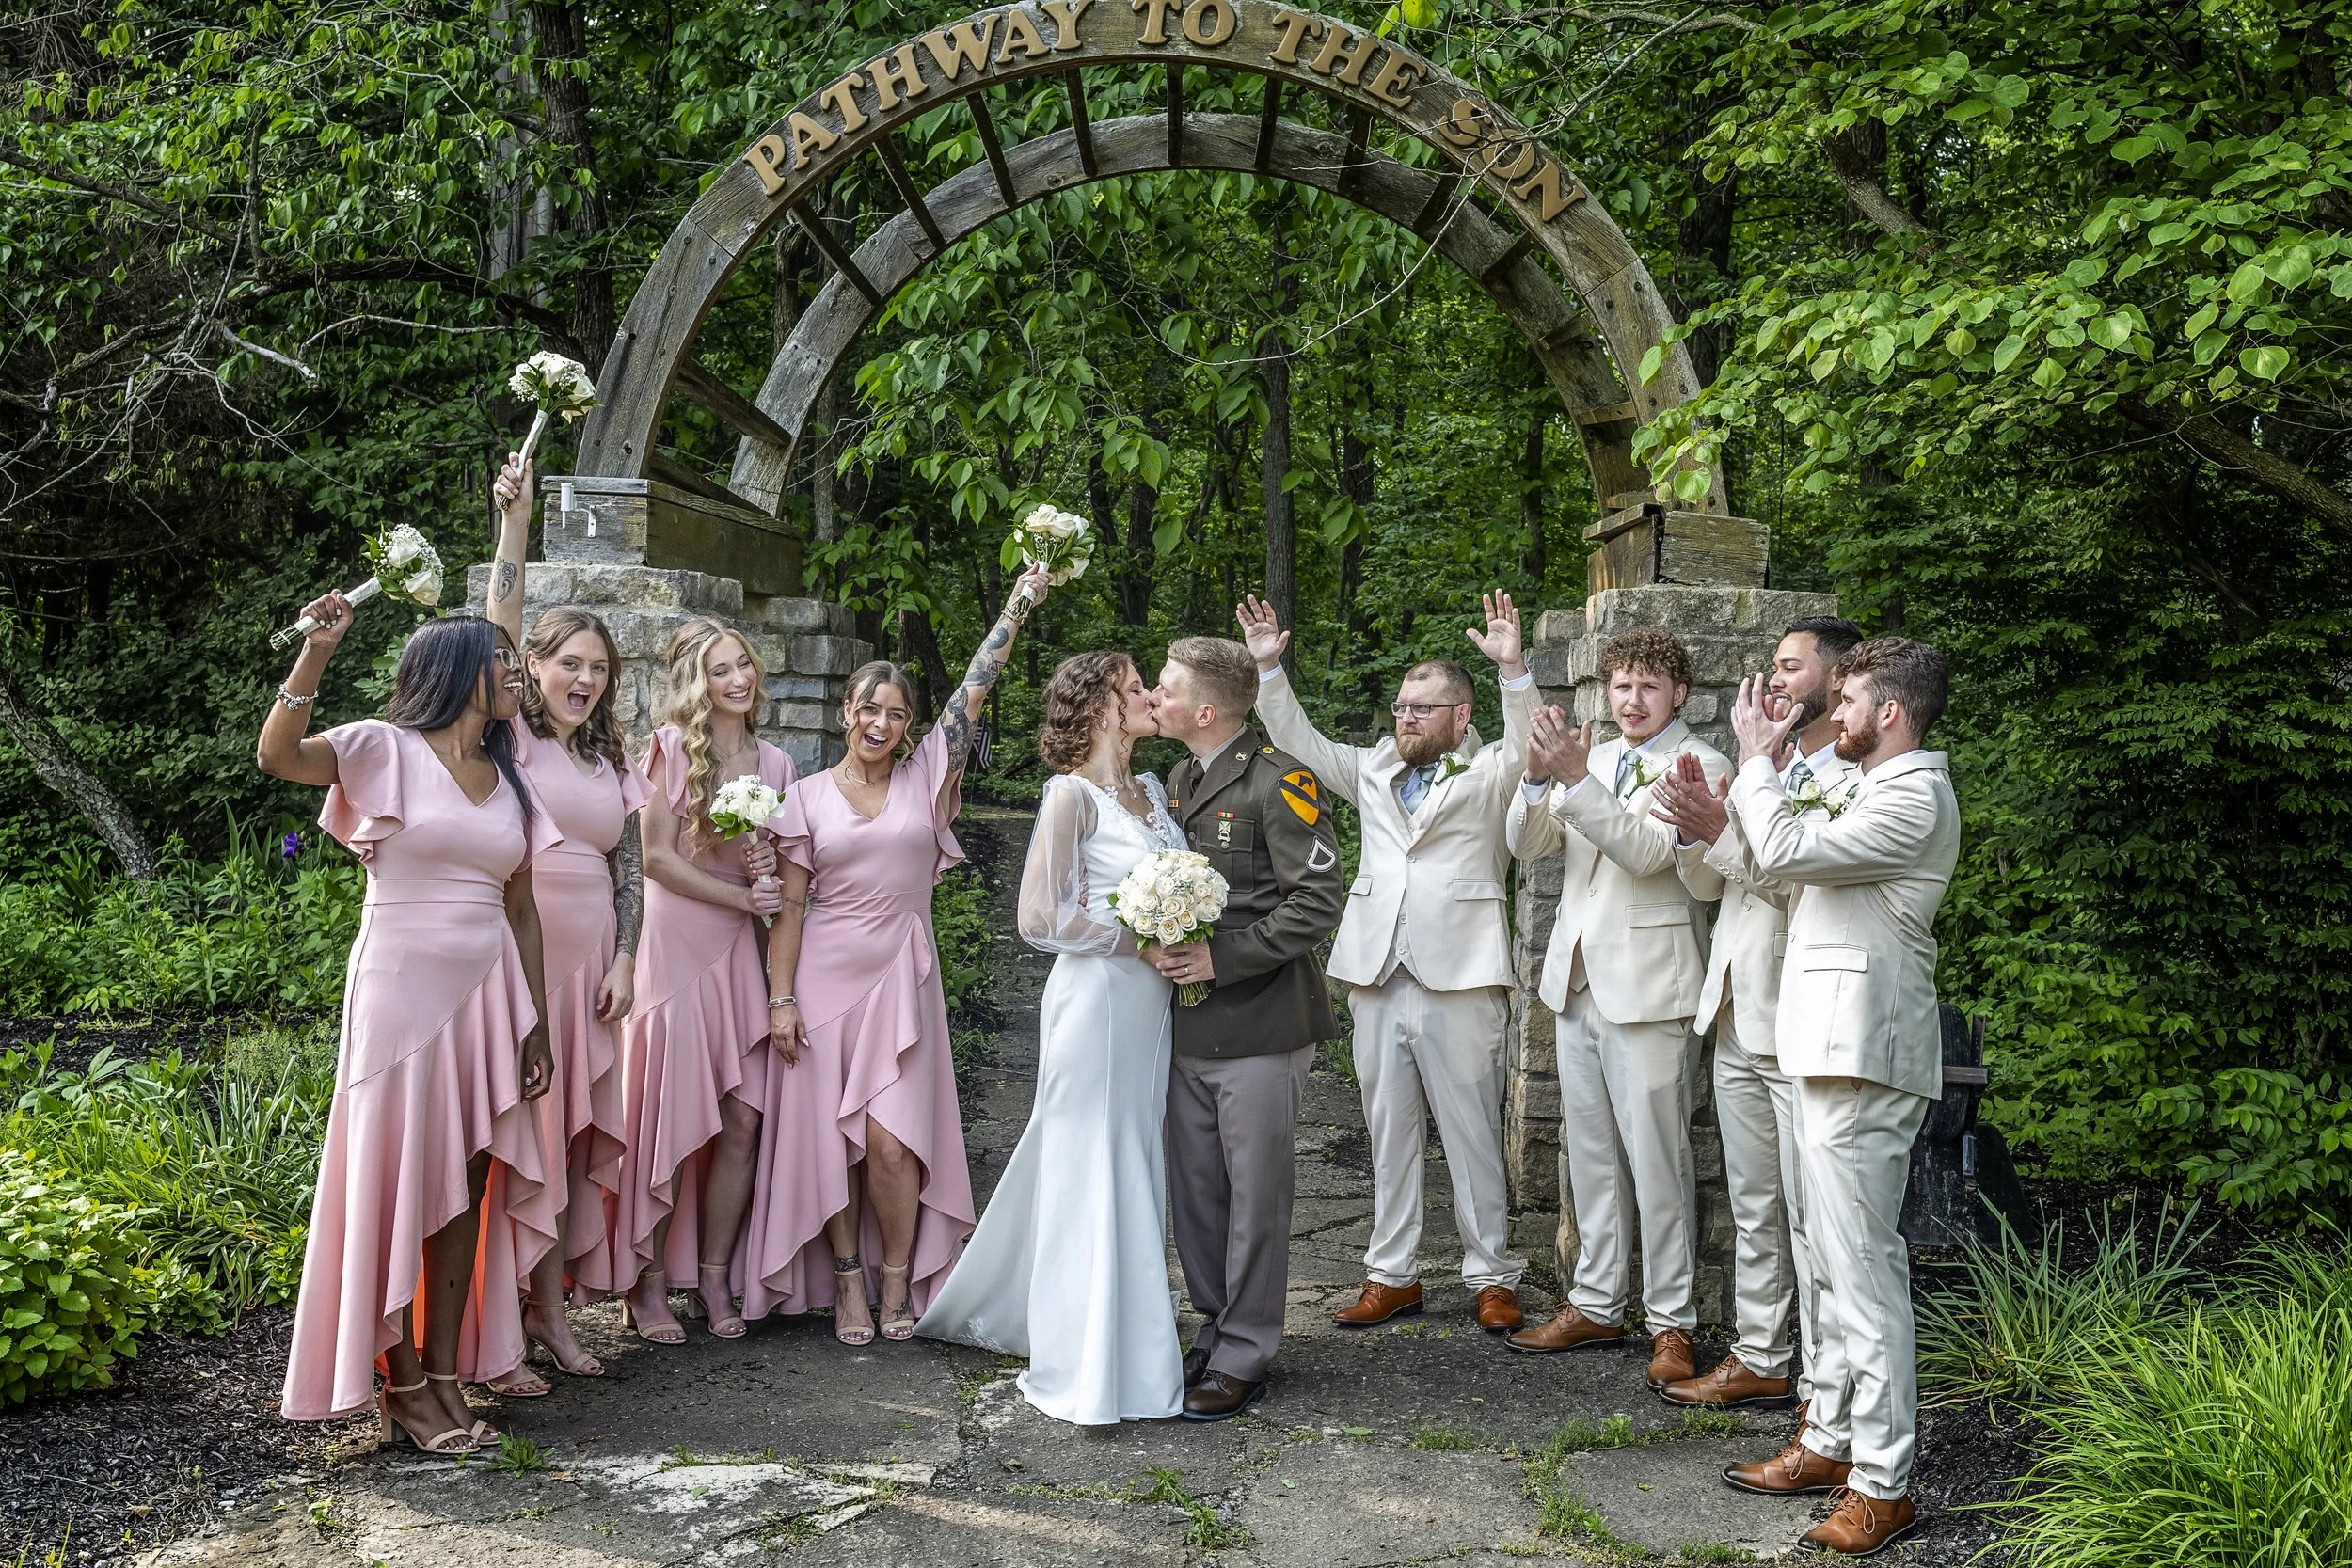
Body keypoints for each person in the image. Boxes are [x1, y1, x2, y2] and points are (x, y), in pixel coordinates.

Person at [262, 604, 557, 1455]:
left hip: (488, 995)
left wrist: (534, 1023)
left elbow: (523, 908)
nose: (517, 671)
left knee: (466, 1178)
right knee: (395, 1173)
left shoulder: (511, 778)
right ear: (455, 667)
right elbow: (277, 755)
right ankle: (404, 1385)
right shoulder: (381, 748)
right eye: (502, 657)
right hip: (401, 994)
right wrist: (316, 653)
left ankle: (446, 1371)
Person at [749, 564, 1051, 1342]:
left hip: (902, 976)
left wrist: (1016, 605)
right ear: (845, 713)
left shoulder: (926, 780)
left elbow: (974, 692)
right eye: (868, 709)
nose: (879, 723)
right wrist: (780, 999)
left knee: (890, 1143)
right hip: (822, 979)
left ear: (910, 724)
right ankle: (847, 1280)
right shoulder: (804, 796)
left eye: (895, 713)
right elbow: (789, 908)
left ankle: (897, 1277)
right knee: (832, 1141)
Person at [1715, 637, 1960, 1558]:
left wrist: (1755, 760)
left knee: (1862, 1275)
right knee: (1827, 1260)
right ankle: (1828, 1438)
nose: (1837, 712)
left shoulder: (1914, 796)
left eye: (1849, 699)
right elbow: (1781, 869)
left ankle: (1884, 1484)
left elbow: (1785, 844)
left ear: (1889, 711)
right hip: (1823, 1046)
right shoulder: (1866, 784)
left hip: (1864, 1056)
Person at [1237, 592, 1534, 1335]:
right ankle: (1391, 1274)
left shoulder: (1491, 768)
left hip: (1462, 974)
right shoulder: (1371, 766)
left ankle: (1492, 1275)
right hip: (1376, 971)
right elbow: (1299, 742)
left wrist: (1513, 670)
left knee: (1471, 1132)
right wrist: (1269, 670)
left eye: (1422, 708)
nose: (1406, 717)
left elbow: (1531, 750)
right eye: (1402, 705)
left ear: (1461, 715)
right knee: (1386, 1130)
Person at [916, 650, 1185, 1423]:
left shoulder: (1153, 790)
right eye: (1135, 687)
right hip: (1097, 998)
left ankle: (1129, 1340)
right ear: (1102, 707)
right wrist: (1139, 941)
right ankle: (1083, 1357)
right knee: (1089, 1157)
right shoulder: (1071, 795)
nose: (1149, 696)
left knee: (1132, 1151)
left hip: (1149, 1005)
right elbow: (1038, 916)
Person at [1502, 628, 1728, 1392]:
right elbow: (1528, 843)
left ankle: (1672, 1321)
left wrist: (1575, 778)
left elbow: (1649, 854)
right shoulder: (1592, 759)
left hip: (1653, 987)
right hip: (1578, 980)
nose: (1632, 700)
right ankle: (1597, 1302)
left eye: (1648, 686)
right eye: (1622, 685)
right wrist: (1538, 779)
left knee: (1660, 1161)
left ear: (1680, 694)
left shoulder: (1704, 764)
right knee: (1591, 1155)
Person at [1648, 616, 1863, 1415]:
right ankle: (1761, 1355)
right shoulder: (1768, 766)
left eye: (1791, 667)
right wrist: (1694, 829)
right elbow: (1714, 886)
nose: (1774, 679)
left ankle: (1825, 1388)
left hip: (1799, 1017)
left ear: (1838, 679)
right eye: (1771, 665)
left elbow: (1803, 887)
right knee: (1752, 1205)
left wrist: (1724, 831)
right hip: (1737, 1007)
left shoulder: (1852, 779)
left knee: (1811, 1217)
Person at [477, 453, 646, 1392]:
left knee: (573, 1142)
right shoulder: (512, 736)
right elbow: (497, 620)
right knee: (526, 1138)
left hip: (592, 969)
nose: (583, 679)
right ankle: (505, 1323)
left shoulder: (607, 758)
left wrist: (627, 955)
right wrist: (515, 518)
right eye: (568, 663)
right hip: (523, 961)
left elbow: (629, 866)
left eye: (597, 669)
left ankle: (549, 1308)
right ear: (533, 668)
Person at [1148, 635, 1344, 1420]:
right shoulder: (1178, 779)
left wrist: (1220, 957)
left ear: (1205, 711)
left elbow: (1316, 901)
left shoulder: (1281, 780)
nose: (1154, 696)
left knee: (1255, 1197)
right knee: (1197, 1193)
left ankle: (1246, 1351)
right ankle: (1215, 1322)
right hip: (1187, 1025)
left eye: (1166, 687)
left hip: (1262, 1022)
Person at [614, 618, 791, 1344]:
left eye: (744, 663)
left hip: (738, 950)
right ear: (698, 682)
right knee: (669, 1117)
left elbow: (775, 863)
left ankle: (715, 1274)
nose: (739, 678)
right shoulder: (667, 749)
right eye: (722, 669)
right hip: (677, 944)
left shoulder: (776, 763)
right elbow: (655, 858)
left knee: (745, 1116)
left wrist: (765, 871)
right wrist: (741, 897)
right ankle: (648, 1277)